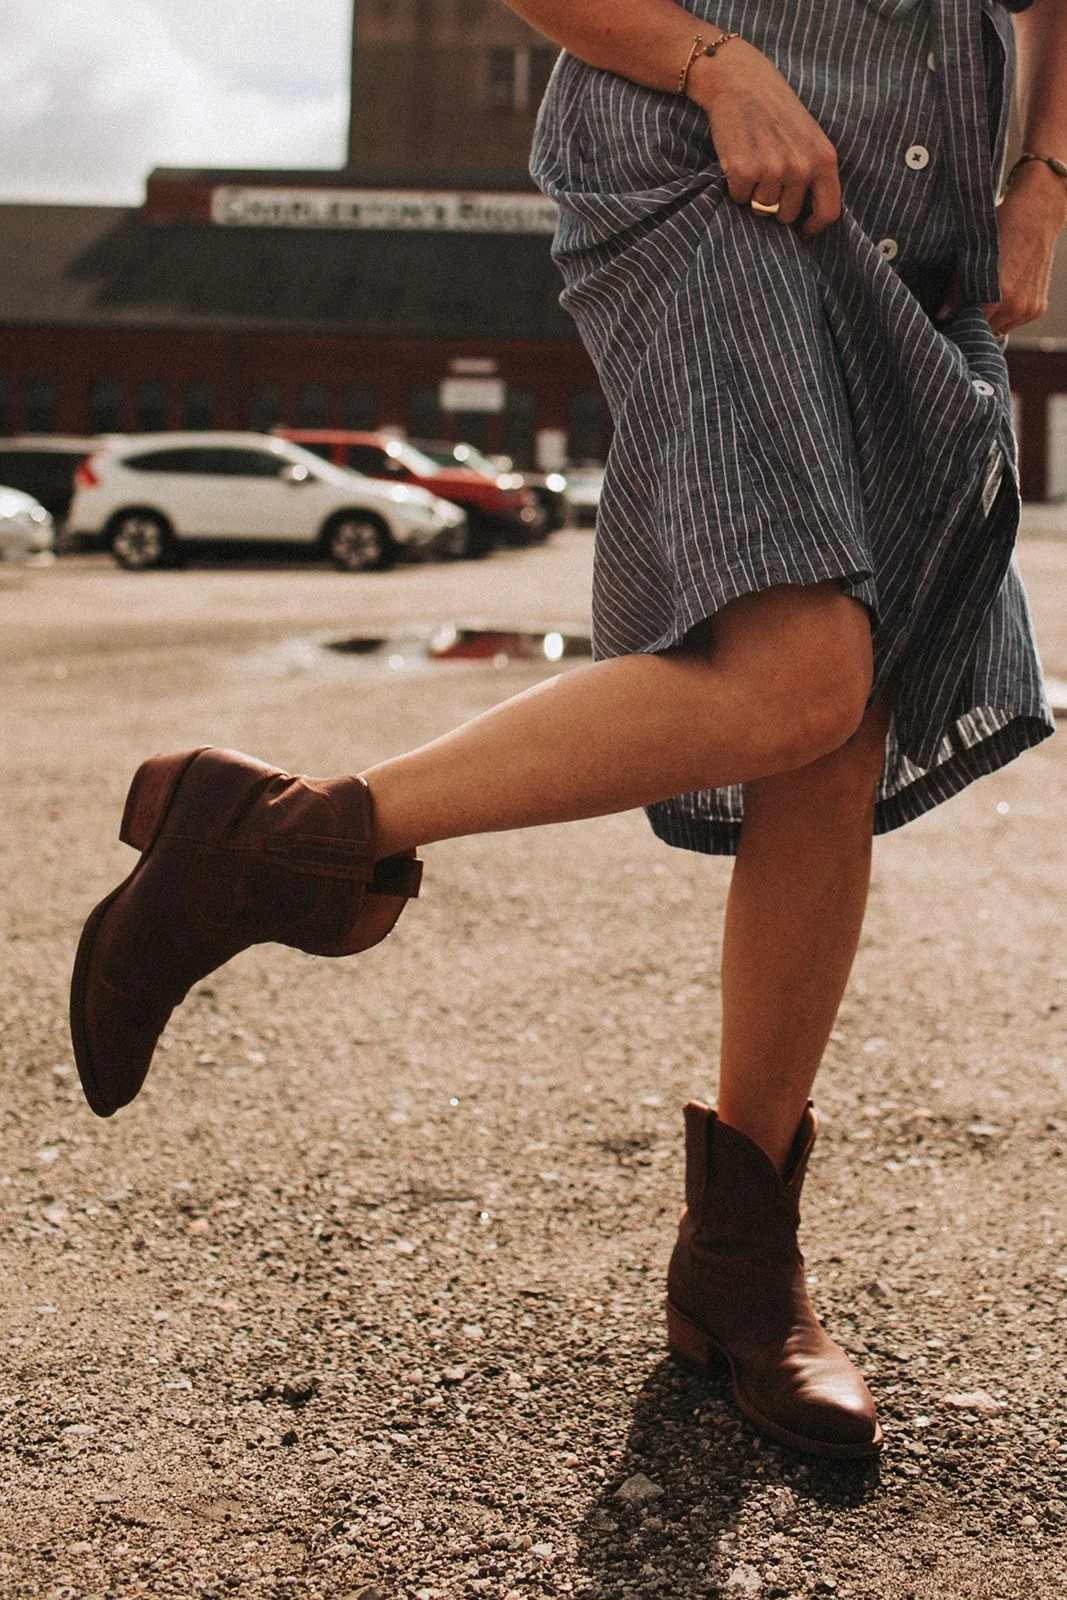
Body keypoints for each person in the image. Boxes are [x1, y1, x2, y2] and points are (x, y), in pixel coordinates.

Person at [70, 0, 1064, 1460]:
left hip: (921, 231)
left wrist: (1043, 176)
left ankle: (737, 1271)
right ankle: (275, 840)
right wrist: (709, 65)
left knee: (830, 743)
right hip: (713, 170)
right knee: (801, 680)